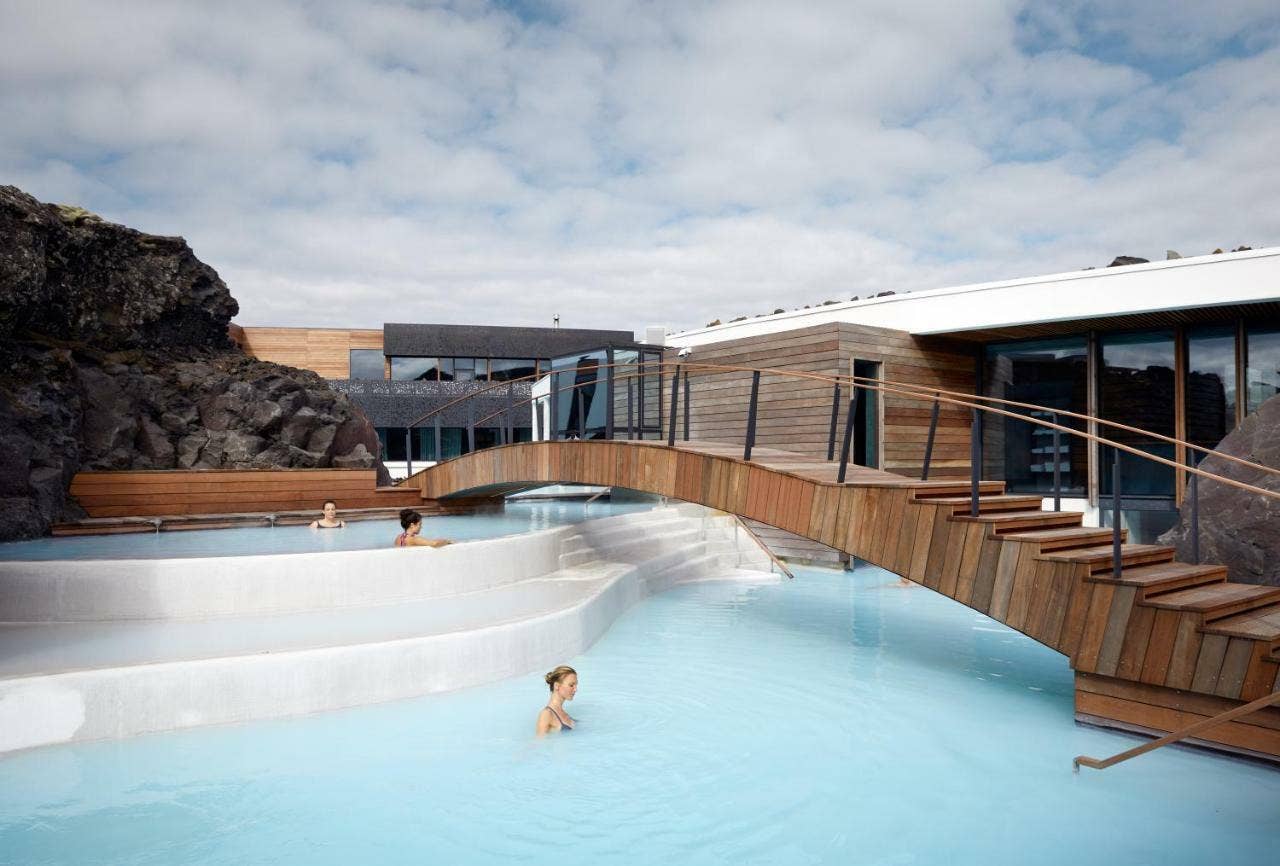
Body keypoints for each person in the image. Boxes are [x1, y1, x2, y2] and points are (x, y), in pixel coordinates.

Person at [535, 665, 577, 735]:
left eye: (576, 685)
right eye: (571, 685)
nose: (575, 689)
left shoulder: (564, 713)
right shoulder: (546, 714)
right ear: (557, 686)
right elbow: (540, 741)